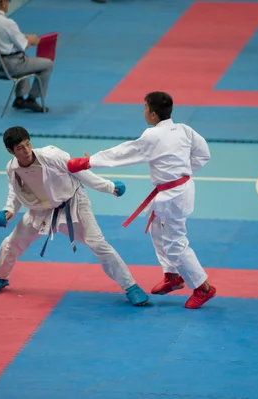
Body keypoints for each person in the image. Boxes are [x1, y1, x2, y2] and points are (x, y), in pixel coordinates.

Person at [67, 91, 216, 309]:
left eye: (145, 107)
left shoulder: (153, 136)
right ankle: (172, 275)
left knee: (175, 243)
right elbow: (204, 154)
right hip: (179, 189)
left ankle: (203, 287)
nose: (143, 111)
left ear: (153, 114)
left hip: (173, 196)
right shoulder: (185, 129)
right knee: (157, 229)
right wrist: (182, 172)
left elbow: (124, 153)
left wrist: (88, 162)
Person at [0, 126, 149, 307]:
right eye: (20, 148)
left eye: (28, 144)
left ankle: (131, 286)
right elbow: (15, 192)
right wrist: (8, 210)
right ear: (10, 151)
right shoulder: (12, 168)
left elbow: (79, 170)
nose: (27, 150)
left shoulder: (52, 156)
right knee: (11, 243)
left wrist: (108, 187)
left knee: (98, 244)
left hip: (73, 204)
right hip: (41, 210)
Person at [0, 0, 53, 112]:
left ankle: (19, 98)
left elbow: (4, 36)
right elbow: (23, 45)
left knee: (24, 58)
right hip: (11, 66)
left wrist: (24, 37)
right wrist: (32, 40)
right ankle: (31, 99)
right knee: (47, 64)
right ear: (3, 3)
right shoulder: (8, 23)